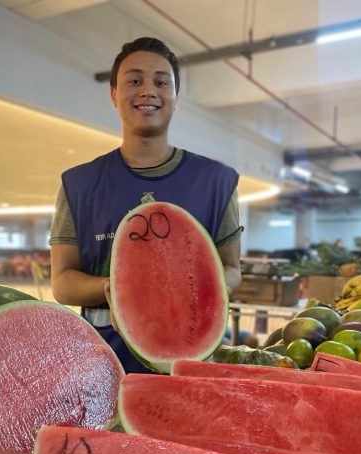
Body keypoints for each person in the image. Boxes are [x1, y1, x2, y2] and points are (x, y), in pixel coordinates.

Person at [49, 37, 243, 373]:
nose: (148, 91)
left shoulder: (216, 181)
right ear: (114, 94)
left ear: (175, 97)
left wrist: (194, 287)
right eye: (134, 81)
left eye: (162, 82)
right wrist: (116, 288)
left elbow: (232, 269)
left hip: (189, 368)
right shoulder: (79, 184)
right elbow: (62, 282)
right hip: (101, 367)